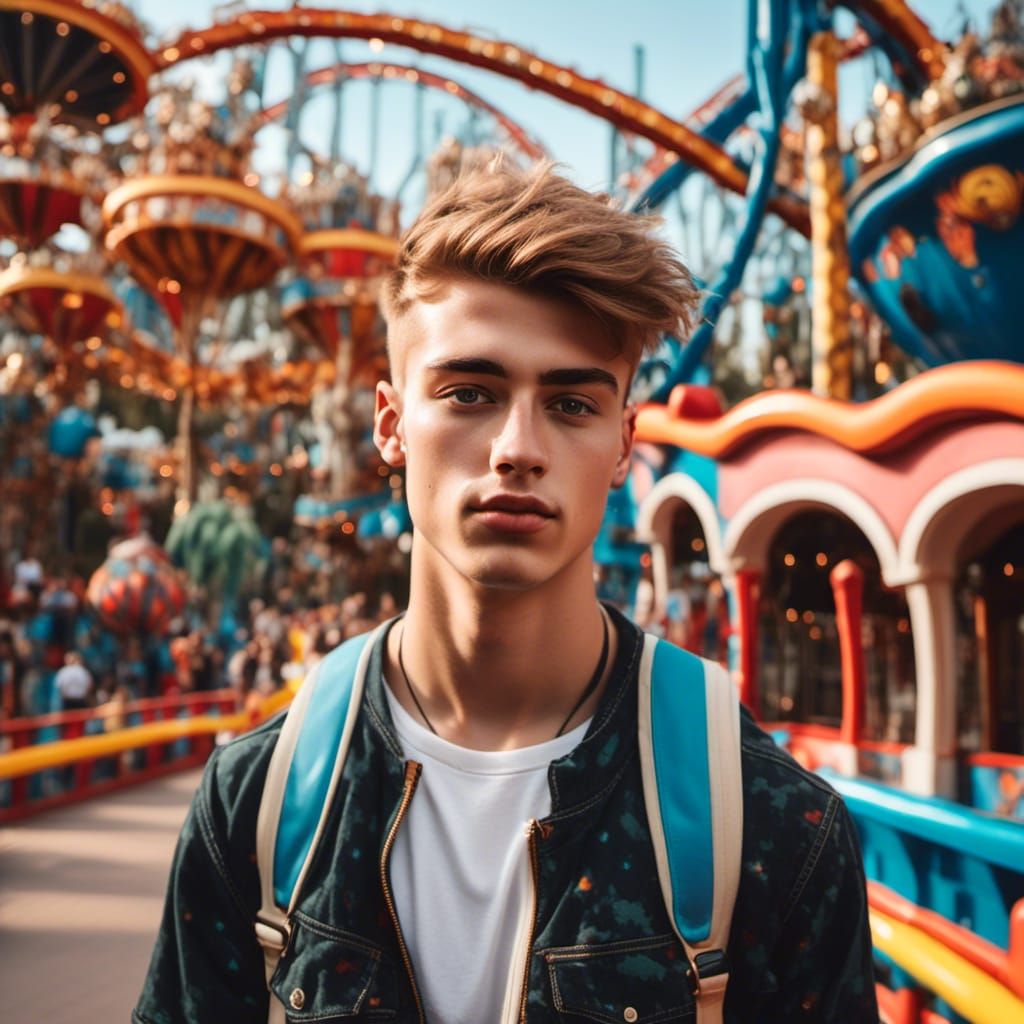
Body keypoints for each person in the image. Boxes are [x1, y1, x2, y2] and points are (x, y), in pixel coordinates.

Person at [135, 163, 877, 1023]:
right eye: (470, 394)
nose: (517, 448)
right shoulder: (257, 807)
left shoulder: (768, 826)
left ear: (623, 443)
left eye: (570, 404)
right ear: (391, 424)